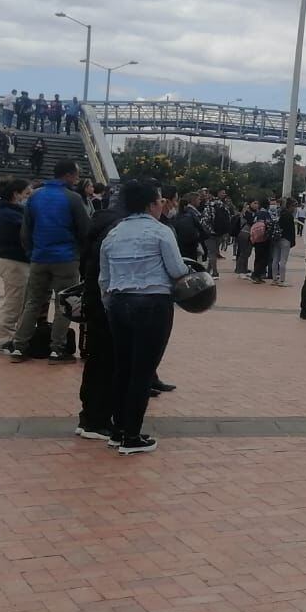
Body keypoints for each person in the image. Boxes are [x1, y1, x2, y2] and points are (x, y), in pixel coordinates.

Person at [100, 179, 189, 454]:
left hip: (118, 303)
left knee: (123, 369)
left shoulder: (114, 233)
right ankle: (132, 436)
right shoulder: (161, 232)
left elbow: (104, 278)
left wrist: (110, 303)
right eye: (160, 201)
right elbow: (177, 270)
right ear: (151, 204)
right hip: (153, 304)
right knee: (142, 372)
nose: (163, 205)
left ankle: (117, 430)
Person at [8, 159, 90, 361]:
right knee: (63, 305)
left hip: (39, 257)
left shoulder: (35, 196)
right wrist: (80, 254)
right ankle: (57, 349)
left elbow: (25, 231)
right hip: (66, 258)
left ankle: (19, 346)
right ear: (68, 175)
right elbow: (85, 230)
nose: (77, 179)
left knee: (33, 302)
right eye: (76, 175)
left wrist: (32, 252)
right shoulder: (73, 198)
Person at [76, 187, 127, 441]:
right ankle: (96, 420)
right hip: (108, 301)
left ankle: (90, 416)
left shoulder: (100, 223)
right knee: (107, 362)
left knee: (98, 360)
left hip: (94, 297)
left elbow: (84, 260)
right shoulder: (118, 230)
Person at [0, 179, 31, 348]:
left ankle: (15, 336)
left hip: (18, 262)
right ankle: (5, 338)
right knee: (14, 302)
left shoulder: (12, 212)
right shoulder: (8, 214)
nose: (29, 197)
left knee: (20, 302)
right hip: (14, 263)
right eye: (27, 193)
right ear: (16, 194)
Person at [202, 189, 231, 276]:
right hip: (220, 233)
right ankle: (208, 271)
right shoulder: (223, 205)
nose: (224, 194)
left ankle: (215, 272)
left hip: (210, 233)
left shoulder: (209, 205)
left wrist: (207, 230)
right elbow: (228, 218)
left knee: (211, 253)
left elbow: (205, 219)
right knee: (214, 252)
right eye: (223, 192)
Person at [271, 197, 297, 286]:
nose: (295, 208)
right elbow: (292, 230)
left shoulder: (280, 213)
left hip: (277, 238)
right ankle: (282, 280)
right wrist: (292, 241)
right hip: (286, 239)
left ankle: (274, 279)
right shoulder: (289, 216)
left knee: (275, 259)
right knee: (283, 260)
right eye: (294, 206)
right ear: (290, 206)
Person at [249, 200, 275, 284]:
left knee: (258, 257)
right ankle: (256, 275)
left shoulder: (257, 213)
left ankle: (257, 275)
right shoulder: (266, 214)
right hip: (264, 239)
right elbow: (269, 225)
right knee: (264, 258)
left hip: (256, 239)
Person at [234, 200, 256, 275]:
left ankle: (244, 268)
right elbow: (251, 222)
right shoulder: (246, 213)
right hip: (244, 233)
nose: (256, 205)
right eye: (254, 203)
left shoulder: (250, 213)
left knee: (246, 252)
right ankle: (239, 269)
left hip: (247, 234)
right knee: (244, 252)